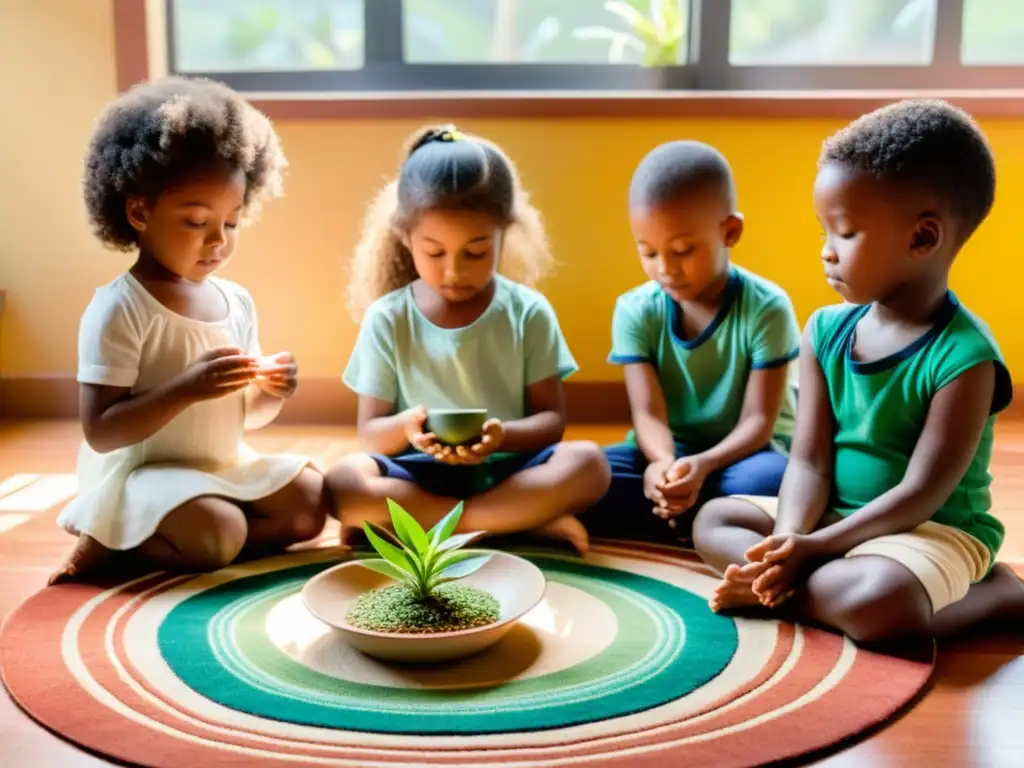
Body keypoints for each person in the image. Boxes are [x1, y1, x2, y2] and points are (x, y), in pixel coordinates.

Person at [693, 99, 1024, 642]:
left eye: (843, 233)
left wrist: (813, 551)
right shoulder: (825, 331)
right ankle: (805, 591)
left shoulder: (966, 359)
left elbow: (922, 493)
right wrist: (787, 543)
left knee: (878, 606)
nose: (825, 253)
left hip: (928, 532)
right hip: (831, 520)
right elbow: (809, 464)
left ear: (921, 239)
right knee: (715, 521)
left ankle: (999, 597)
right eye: (824, 232)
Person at [50, 77, 326, 585]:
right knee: (216, 533)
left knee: (311, 502)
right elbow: (102, 431)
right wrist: (185, 389)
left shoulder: (235, 301)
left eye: (233, 222)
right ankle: (115, 536)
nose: (218, 241)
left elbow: (248, 417)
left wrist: (272, 392)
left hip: (218, 467)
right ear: (139, 212)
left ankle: (209, 536)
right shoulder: (120, 309)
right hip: (142, 478)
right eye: (197, 222)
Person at [325, 126, 610, 553]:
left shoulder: (527, 312)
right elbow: (370, 432)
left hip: (508, 470)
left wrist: (502, 438)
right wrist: (407, 428)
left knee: (589, 463)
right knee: (342, 483)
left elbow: (551, 422)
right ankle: (513, 523)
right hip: (416, 471)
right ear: (405, 237)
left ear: (504, 234)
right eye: (434, 253)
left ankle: (417, 526)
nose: (454, 272)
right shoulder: (388, 317)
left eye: (475, 252)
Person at [584, 140, 799, 542]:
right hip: (668, 450)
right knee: (585, 473)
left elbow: (758, 421)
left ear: (730, 231)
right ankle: (698, 517)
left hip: (746, 454)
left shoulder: (767, 307)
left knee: (778, 482)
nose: (664, 269)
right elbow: (647, 413)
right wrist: (663, 464)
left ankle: (681, 517)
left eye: (683, 250)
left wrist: (703, 465)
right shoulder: (635, 310)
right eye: (647, 253)